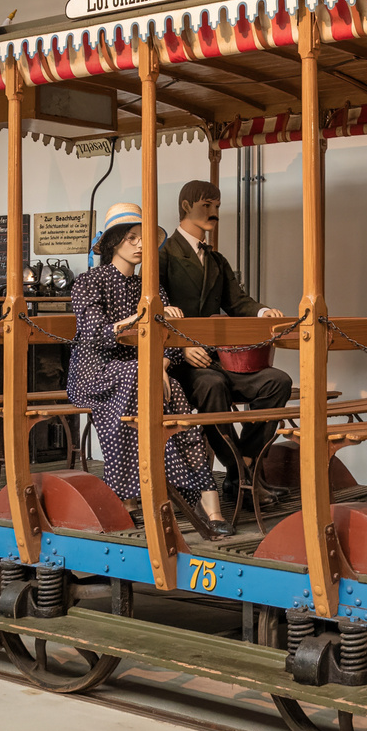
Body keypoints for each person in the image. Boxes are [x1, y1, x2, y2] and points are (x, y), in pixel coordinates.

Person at [66, 202, 233, 536]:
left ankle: (207, 498)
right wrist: (138, 322)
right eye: (132, 237)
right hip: (95, 372)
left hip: (143, 372)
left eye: (144, 238)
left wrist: (160, 363)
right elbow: (96, 335)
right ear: (114, 243)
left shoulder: (151, 288)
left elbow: (170, 339)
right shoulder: (89, 282)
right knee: (138, 381)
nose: (141, 245)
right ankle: (131, 494)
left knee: (179, 401)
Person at [159, 179, 292, 506]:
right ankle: (243, 476)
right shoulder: (162, 257)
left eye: (217, 206)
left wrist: (262, 312)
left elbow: (237, 302)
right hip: (179, 365)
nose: (214, 213)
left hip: (218, 358)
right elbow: (152, 310)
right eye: (207, 205)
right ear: (187, 207)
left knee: (277, 381)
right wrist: (180, 347)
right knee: (212, 385)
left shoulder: (216, 261)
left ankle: (241, 471)